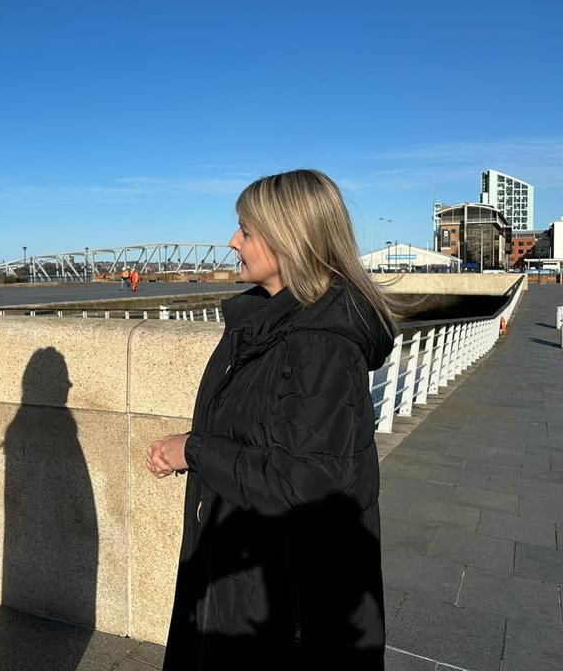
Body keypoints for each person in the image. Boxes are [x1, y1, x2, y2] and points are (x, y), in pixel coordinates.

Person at [147, 170, 397, 669]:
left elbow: (300, 483)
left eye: (245, 230)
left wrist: (192, 450)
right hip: (249, 581)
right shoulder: (265, 326)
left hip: (287, 612)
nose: (232, 240)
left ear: (287, 240)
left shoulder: (320, 346)